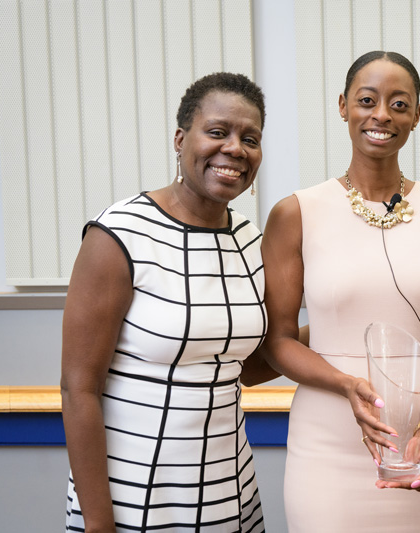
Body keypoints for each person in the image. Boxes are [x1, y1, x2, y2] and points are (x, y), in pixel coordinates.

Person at [262, 51, 420, 532]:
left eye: (399, 104)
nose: (382, 114)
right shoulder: (295, 212)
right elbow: (277, 341)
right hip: (326, 442)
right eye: (367, 100)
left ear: (417, 116)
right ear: (343, 106)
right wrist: (347, 385)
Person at [61, 72, 278, 533]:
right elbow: (78, 388)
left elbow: (234, 365)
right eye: (217, 132)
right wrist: (100, 525)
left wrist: (337, 327)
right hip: (134, 493)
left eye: (250, 138)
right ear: (181, 139)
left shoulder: (249, 239)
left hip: (228, 488)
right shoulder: (119, 233)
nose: (235, 148)